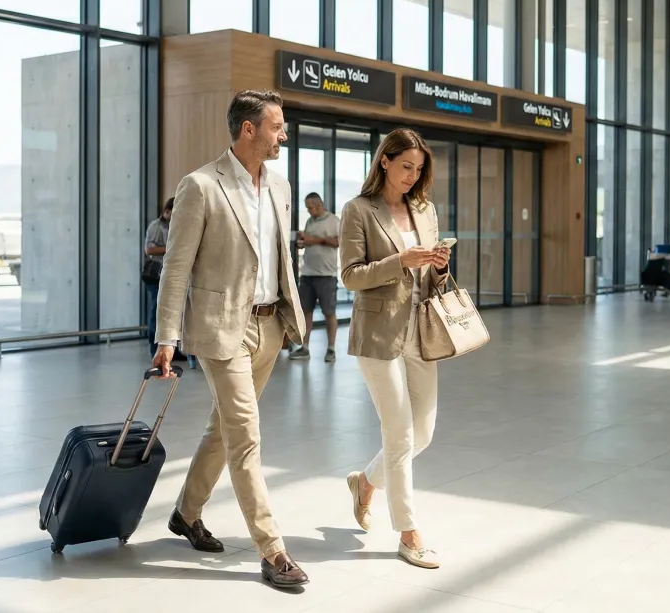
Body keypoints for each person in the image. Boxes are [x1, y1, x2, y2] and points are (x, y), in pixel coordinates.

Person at [151, 89, 309, 588]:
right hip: (222, 329)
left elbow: (283, 258)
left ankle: (186, 512)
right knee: (245, 436)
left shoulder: (281, 187)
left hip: (269, 326)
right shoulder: (201, 186)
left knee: (222, 429)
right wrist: (166, 337)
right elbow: (175, 271)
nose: (284, 133)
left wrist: (289, 317)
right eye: (277, 126)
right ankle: (272, 550)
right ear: (249, 130)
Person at [338, 128, 451, 570]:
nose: (412, 176)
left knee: (423, 430)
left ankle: (366, 483)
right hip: (378, 334)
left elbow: (431, 280)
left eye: (418, 169)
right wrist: (399, 262)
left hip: (421, 330)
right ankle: (408, 531)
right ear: (384, 160)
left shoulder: (425, 210)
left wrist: (438, 268)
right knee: (399, 433)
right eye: (406, 166)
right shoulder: (358, 210)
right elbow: (350, 275)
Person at [289, 192, 340, 363]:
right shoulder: (310, 221)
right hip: (307, 275)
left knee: (329, 313)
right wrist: (305, 242)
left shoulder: (334, 221)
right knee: (305, 313)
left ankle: (331, 349)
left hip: (326, 276)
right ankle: (304, 348)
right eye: (307, 208)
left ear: (320, 204)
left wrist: (314, 240)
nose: (309, 211)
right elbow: (312, 241)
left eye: (310, 207)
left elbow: (339, 242)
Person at [142, 198, 174, 357]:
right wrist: (171, 248)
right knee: (156, 310)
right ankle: (154, 349)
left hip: (167, 274)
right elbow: (149, 250)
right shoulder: (156, 226)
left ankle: (171, 349)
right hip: (155, 275)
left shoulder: (173, 227)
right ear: (166, 211)